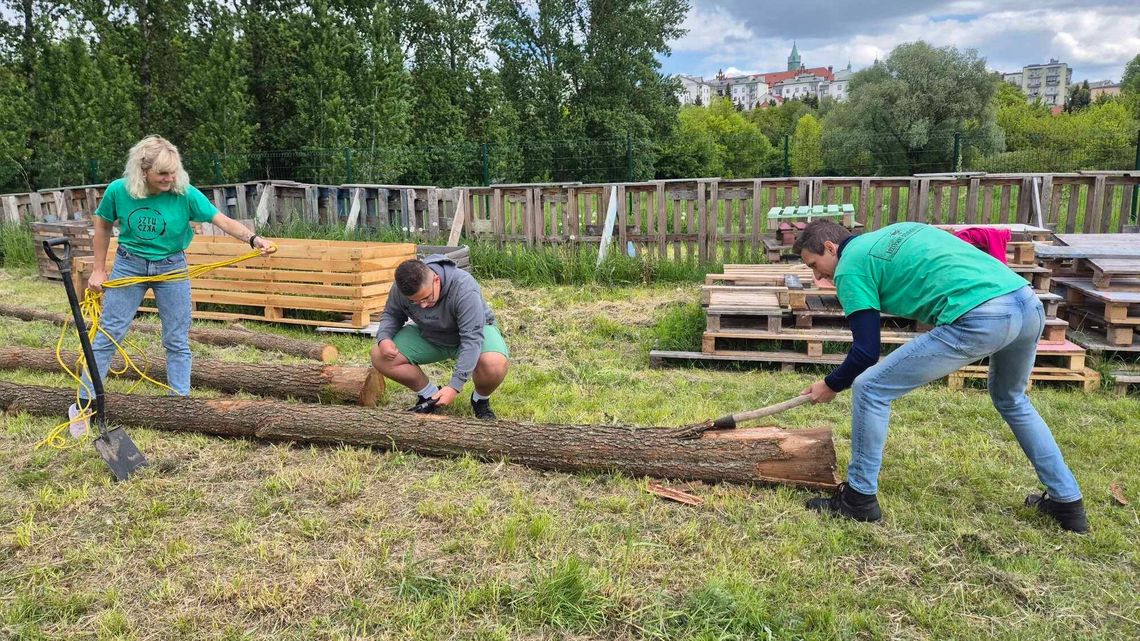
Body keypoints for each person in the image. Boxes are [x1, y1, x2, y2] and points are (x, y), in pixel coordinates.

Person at [793, 220, 1086, 533]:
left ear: (830, 247)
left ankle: (859, 499)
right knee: (1011, 398)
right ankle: (1068, 504)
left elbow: (865, 352)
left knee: (870, 388)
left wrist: (830, 384)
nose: (818, 276)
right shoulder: (897, 230)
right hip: (1026, 304)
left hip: (981, 316)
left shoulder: (850, 267)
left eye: (815, 265)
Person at [68, 135, 275, 434]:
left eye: (173, 172)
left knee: (177, 338)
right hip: (130, 263)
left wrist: (254, 239)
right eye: (162, 173)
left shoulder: (185, 193)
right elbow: (102, 226)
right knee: (108, 333)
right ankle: (85, 404)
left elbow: (222, 220)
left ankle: (179, 403)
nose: (169, 178)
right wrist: (99, 270)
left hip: (171, 266)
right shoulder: (119, 191)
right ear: (143, 171)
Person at [371, 256, 509, 420]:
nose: (422, 305)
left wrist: (454, 386)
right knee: (379, 355)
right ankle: (430, 396)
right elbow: (392, 314)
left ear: (436, 280)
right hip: (430, 334)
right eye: (414, 302)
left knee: (495, 364)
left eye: (426, 298)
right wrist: (384, 337)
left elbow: (472, 340)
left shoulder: (464, 287)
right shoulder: (402, 288)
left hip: (472, 333)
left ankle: (480, 400)